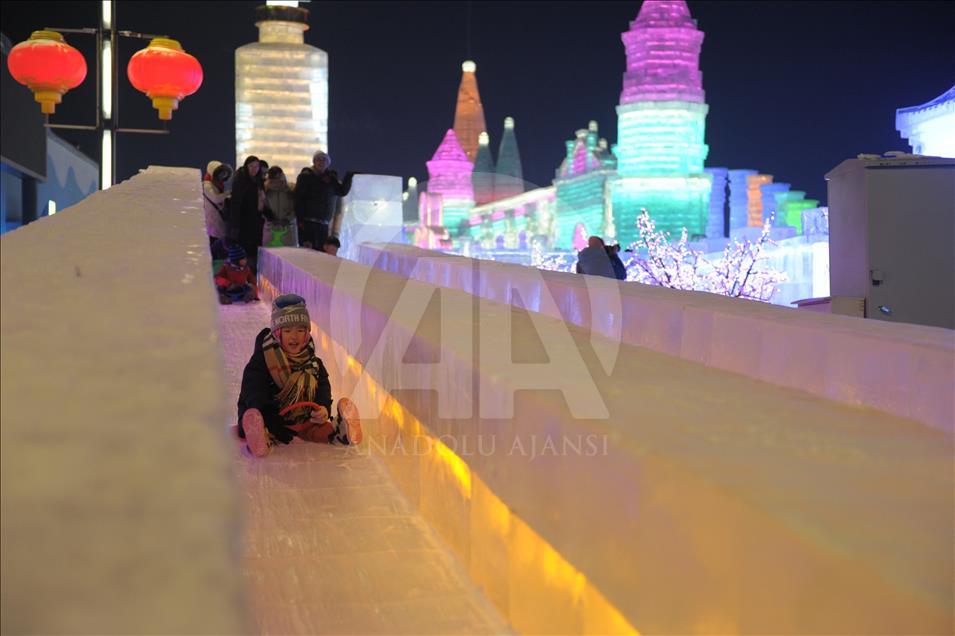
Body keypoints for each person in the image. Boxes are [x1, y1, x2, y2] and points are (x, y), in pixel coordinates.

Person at [237, 294, 362, 457]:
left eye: (300, 330)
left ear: (307, 334)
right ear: (277, 333)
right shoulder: (263, 360)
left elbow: (323, 386)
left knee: (317, 429)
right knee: (261, 422)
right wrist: (269, 416)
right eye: (287, 330)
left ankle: (341, 432)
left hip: (302, 418)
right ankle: (259, 437)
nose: (294, 336)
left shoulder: (314, 363)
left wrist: (323, 407)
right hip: (271, 416)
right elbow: (253, 390)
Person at [295, 151, 355, 250]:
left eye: (324, 160)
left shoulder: (330, 178)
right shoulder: (305, 176)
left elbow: (341, 191)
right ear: (314, 162)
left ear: (328, 163)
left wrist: (349, 176)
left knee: (322, 252)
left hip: (324, 224)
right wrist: (300, 220)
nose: (321, 162)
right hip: (308, 223)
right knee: (308, 252)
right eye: (318, 159)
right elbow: (298, 199)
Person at [230, 155, 267, 273]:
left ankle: (253, 276)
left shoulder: (259, 181)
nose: (254, 169)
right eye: (251, 166)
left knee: (254, 251)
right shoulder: (241, 181)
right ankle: (244, 276)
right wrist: (235, 225)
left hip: (256, 222)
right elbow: (236, 203)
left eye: (256, 166)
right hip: (244, 223)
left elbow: (262, 201)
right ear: (246, 166)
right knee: (244, 252)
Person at [263, 166, 298, 247]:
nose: (277, 182)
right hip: (271, 227)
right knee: (270, 252)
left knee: (288, 252)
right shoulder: (266, 190)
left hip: (288, 227)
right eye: (274, 179)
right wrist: (269, 217)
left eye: (278, 178)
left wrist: (289, 218)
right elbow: (262, 207)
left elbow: (297, 207)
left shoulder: (292, 189)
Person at [202, 161, 233, 255]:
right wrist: (227, 193)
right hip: (211, 224)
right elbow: (216, 199)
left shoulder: (217, 185)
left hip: (218, 222)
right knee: (213, 249)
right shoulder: (207, 185)